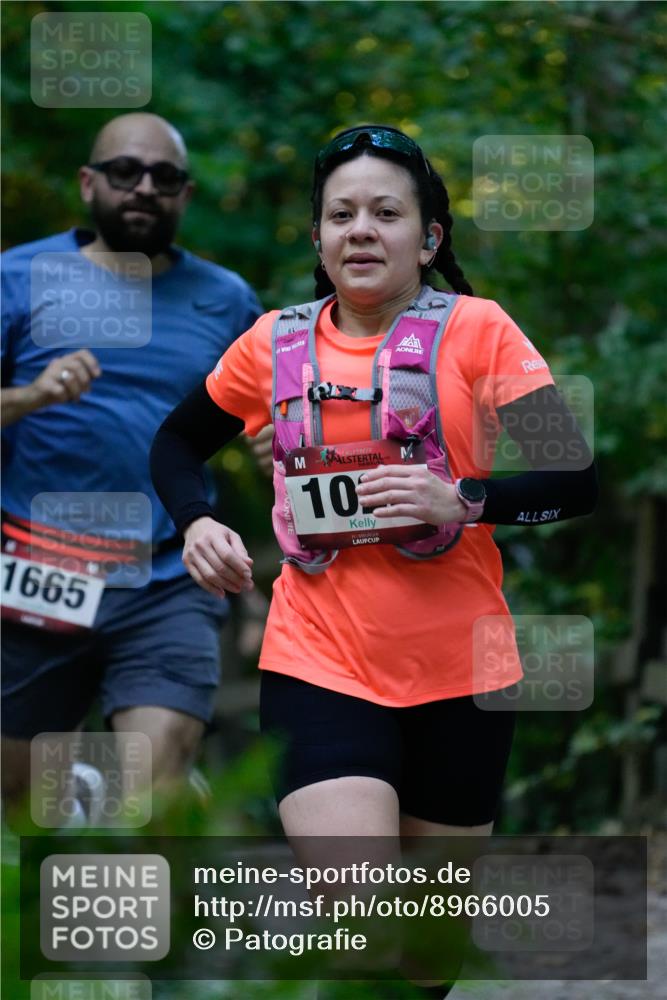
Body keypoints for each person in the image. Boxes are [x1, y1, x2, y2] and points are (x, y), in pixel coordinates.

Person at [150, 125, 597, 996]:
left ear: (427, 238)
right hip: (320, 660)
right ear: (317, 239)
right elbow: (175, 444)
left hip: (462, 669)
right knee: (359, 924)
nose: (361, 229)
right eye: (340, 214)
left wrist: (462, 499)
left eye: (385, 213)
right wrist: (194, 522)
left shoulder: (479, 331)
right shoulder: (274, 345)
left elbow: (575, 479)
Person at [1, 112, 262, 824]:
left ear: (185, 194)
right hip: (35, 572)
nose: (144, 188)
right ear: (89, 184)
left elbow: (271, 416)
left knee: (153, 784)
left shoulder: (226, 300)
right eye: (124, 172)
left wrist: (273, 442)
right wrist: (29, 396)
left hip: (165, 577)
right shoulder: (17, 279)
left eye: (165, 177)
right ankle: (77, 798)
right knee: (18, 801)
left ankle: (151, 873)